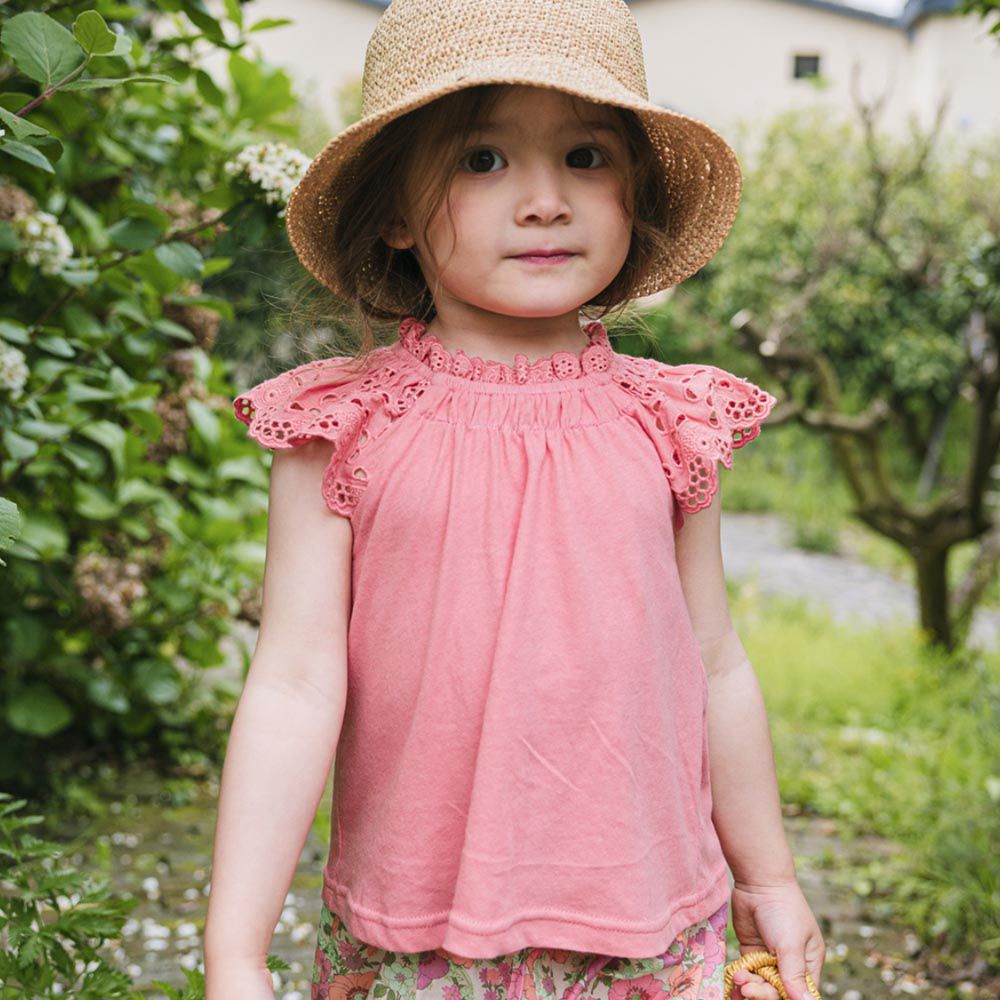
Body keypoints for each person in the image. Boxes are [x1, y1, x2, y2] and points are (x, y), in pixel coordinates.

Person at [203, 1, 827, 999]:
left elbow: (713, 663)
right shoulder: (343, 427)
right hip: (419, 940)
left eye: (586, 156)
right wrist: (234, 954)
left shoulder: (671, 421)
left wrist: (772, 877)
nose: (545, 200)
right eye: (481, 160)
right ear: (396, 210)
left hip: (651, 931)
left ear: (634, 191)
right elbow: (292, 684)